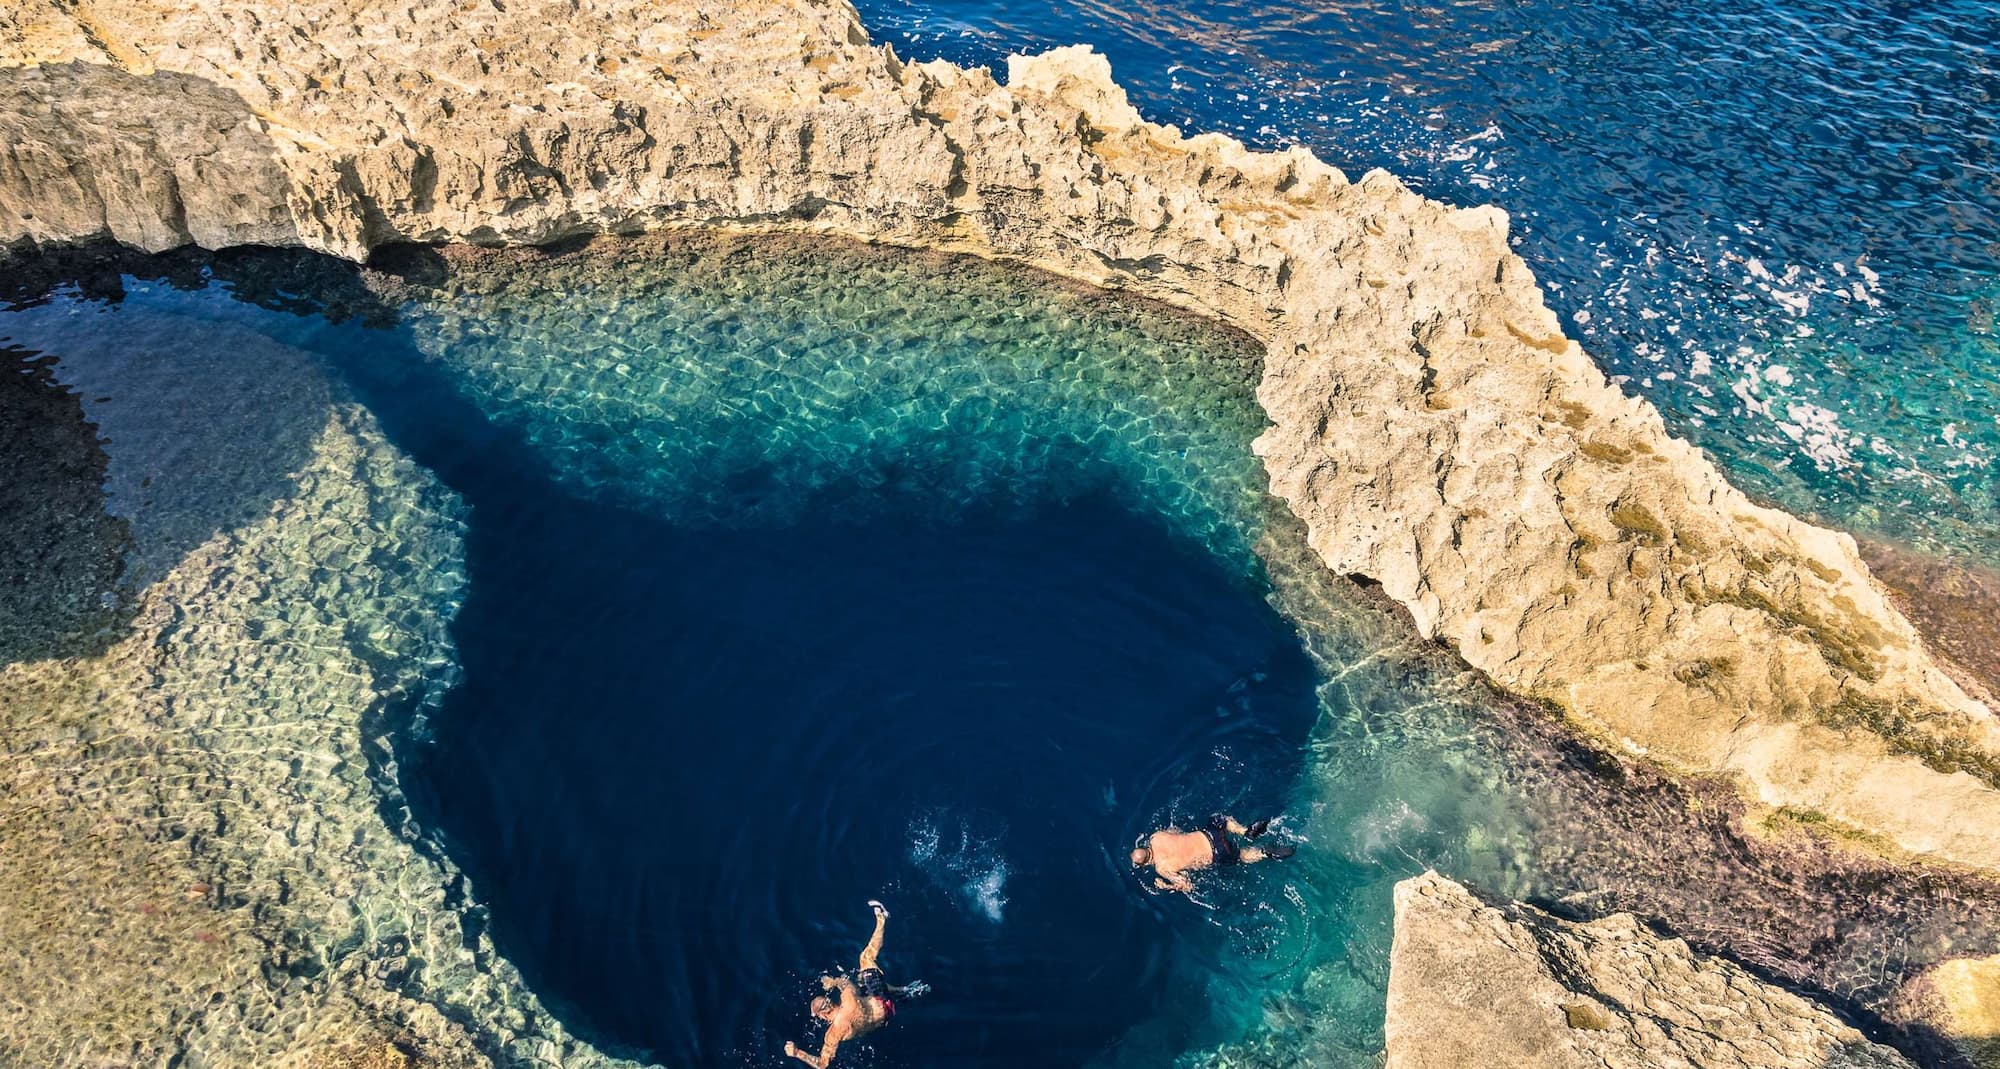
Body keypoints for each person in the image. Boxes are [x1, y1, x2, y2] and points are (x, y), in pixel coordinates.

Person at [783, 900, 929, 1068]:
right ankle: (882, 918)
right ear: (829, 1004)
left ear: (822, 1016)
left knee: (864, 985)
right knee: (865, 959)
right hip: (881, 1001)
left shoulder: (833, 1035)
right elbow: (846, 982)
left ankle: (905, 993)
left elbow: (822, 1065)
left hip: (884, 1020)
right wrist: (833, 982)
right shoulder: (848, 1000)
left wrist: (797, 1053)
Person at [1130, 814, 1294, 894]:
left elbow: (1187, 885)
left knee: (1240, 856)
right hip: (1209, 835)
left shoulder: (1162, 868)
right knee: (1219, 819)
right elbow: (1176, 831)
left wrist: (1166, 886)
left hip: (1216, 853)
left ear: (1145, 863)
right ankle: (1245, 831)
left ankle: (1264, 853)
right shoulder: (1156, 837)